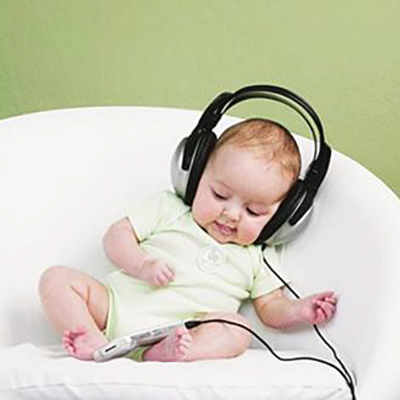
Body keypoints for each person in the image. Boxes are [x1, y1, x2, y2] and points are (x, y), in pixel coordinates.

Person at [39, 118, 337, 363]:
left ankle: (166, 354)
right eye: (219, 195)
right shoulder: (169, 209)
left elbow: (271, 308)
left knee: (239, 328)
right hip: (115, 310)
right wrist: (142, 265)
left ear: (282, 217)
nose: (231, 215)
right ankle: (92, 339)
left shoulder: (257, 257)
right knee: (56, 279)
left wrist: (300, 311)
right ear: (195, 176)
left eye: (253, 211)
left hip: (185, 330)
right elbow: (115, 237)